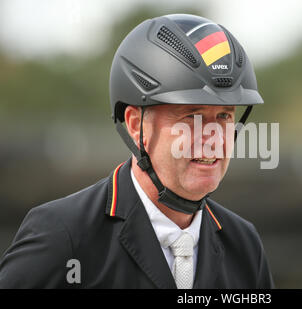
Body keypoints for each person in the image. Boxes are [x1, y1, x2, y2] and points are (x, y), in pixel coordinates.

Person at [0, 14, 274, 289]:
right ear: (135, 125)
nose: (213, 137)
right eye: (192, 116)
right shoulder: (62, 236)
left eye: (225, 116)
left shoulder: (244, 246)